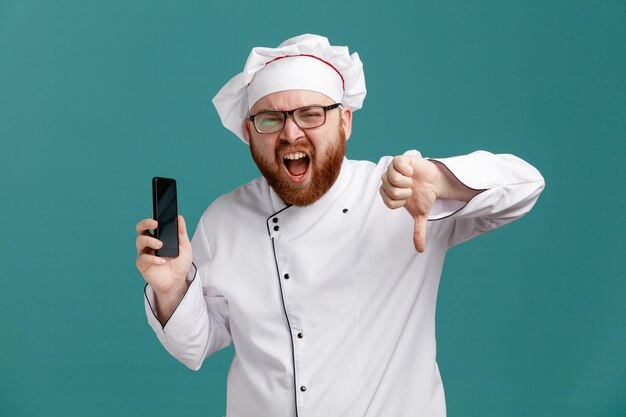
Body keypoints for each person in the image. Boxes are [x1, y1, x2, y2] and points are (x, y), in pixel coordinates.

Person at [135, 34, 544, 417]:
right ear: (249, 131)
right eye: (271, 120)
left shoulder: (399, 191)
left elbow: (526, 185)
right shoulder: (224, 219)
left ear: (345, 121)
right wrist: (171, 289)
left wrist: (441, 179)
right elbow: (195, 345)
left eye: (310, 115)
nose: (291, 132)